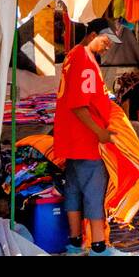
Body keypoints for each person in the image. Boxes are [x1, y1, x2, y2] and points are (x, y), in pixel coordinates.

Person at [56, 19, 127, 257]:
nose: (107, 48)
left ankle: (75, 244)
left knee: (74, 191)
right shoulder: (85, 59)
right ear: (93, 34)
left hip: (72, 140)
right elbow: (79, 105)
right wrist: (102, 133)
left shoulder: (72, 55)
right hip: (88, 141)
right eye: (106, 42)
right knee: (95, 193)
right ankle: (99, 247)